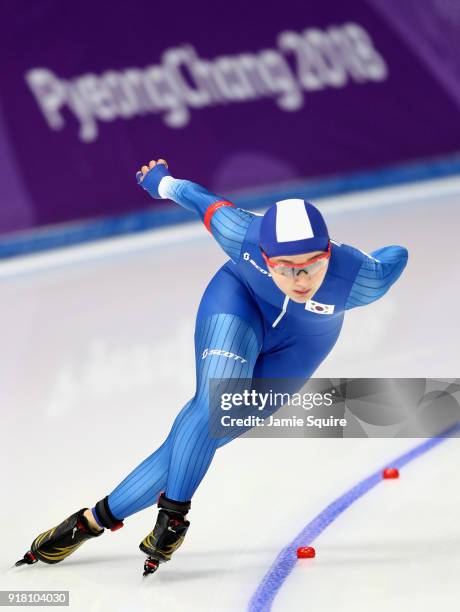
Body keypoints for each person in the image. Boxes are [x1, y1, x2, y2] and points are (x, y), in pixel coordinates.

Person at [16, 159, 408, 576]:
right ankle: (174, 519)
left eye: (312, 264)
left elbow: (395, 256)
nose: (300, 279)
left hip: (302, 345)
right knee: (215, 404)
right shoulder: (240, 233)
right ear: (262, 255)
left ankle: (89, 522)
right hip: (237, 303)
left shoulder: (360, 278)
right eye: (284, 267)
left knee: (205, 434)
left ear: (329, 253)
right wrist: (161, 182)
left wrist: (360, 258)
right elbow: (200, 200)